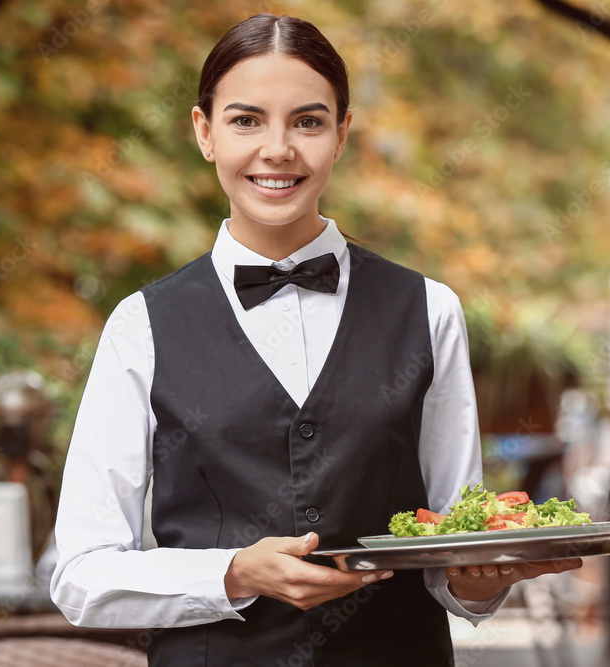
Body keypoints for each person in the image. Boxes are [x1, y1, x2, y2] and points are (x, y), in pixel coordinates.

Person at [50, 13, 581, 666]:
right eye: (247, 120)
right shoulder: (141, 325)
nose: (278, 149)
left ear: (341, 135)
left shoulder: (429, 309)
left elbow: (451, 542)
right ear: (204, 132)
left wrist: (483, 575)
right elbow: (81, 572)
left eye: (307, 121)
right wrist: (234, 572)